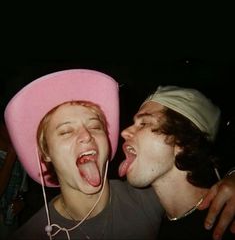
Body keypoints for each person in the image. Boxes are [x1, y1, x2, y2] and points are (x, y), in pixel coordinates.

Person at [4, 69, 235, 240]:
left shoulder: (150, 199)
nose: (86, 136)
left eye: (95, 126)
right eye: (66, 131)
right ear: (45, 153)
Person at [119, 85, 235, 240]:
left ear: (182, 140)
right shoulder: (148, 224)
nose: (124, 132)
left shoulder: (227, 223)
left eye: (144, 123)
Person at [0, 119, 28, 240]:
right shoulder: (14, 152)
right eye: (9, 125)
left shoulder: (21, 156)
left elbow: (22, 190)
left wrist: (21, 202)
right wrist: (11, 154)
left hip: (10, 227)